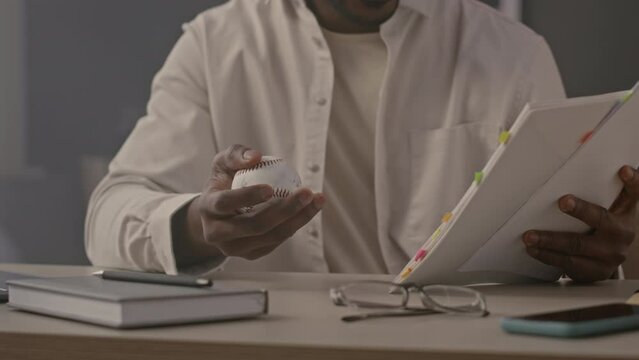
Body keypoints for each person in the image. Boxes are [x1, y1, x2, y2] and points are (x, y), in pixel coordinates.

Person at [86, 0, 638, 282]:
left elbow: (560, 251)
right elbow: (108, 218)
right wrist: (198, 226)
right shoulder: (216, 44)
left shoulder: (512, 54)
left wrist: (587, 261)